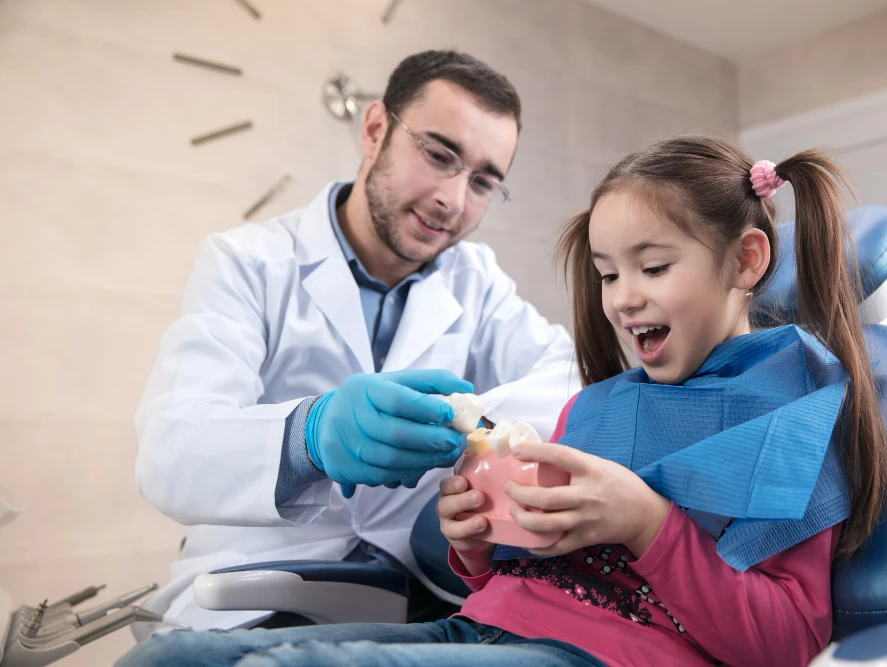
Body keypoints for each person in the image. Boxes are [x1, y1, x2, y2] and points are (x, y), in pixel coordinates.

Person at [118, 136, 887, 667]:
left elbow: (788, 645)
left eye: (651, 266)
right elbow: (520, 582)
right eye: (606, 272)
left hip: (604, 654)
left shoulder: (789, 416)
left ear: (747, 259)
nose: (622, 299)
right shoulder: (601, 404)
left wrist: (649, 523)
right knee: (171, 652)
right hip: (487, 624)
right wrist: (476, 543)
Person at [133, 50, 579, 634]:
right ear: (374, 131)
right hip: (260, 585)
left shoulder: (476, 280)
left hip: (417, 585)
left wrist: (477, 428)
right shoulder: (249, 262)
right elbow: (171, 453)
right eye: (439, 155)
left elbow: (572, 374)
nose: (454, 199)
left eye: (483, 181)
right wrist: (307, 437)